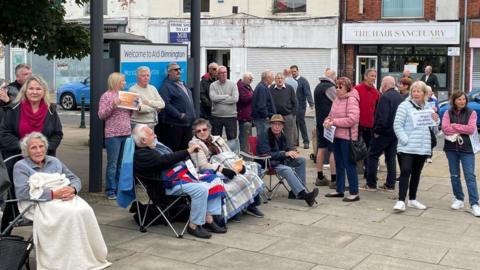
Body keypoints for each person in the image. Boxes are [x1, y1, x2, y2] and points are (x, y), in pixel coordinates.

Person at [13, 132, 111, 270]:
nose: (38, 150)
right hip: (38, 202)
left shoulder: (54, 161)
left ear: (46, 148)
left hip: (64, 196)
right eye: (33, 148)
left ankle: (83, 254)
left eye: (41, 146)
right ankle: (65, 258)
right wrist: (53, 194)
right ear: (26, 151)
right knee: (70, 214)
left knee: (85, 210)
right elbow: (22, 193)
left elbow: (75, 179)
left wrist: (73, 190)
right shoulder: (21, 166)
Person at [133, 124, 226, 239]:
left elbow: (169, 158)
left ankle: (209, 218)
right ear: (143, 140)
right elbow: (166, 160)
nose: (155, 135)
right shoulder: (142, 154)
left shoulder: (151, 148)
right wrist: (188, 151)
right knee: (201, 189)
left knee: (214, 179)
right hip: (165, 185)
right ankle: (194, 225)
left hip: (174, 179)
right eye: (152, 134)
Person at [189, 119, 265, 221]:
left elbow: (230, 154)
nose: (202, 132)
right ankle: (236, 210)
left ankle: (250, 205)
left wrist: (239, 165)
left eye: (204, 129)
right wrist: (222, 169)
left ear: (209, 129)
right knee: (236, 182)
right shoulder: (194, 144)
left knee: (250, 174)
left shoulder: (218, 139)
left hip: (229, 163)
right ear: (195, 133)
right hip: (213, 169)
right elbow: (203, 165)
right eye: (199, 131)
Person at [393, 81, 439, 212]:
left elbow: (434, 124)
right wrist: (405, 140)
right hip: (407, 147)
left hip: (422, 147)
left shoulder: (427, 107)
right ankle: (401, 200)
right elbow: (397, 125)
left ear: (424, 93)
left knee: (417, 173)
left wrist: (436, 119)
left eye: (419, 91)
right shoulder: (404, 106)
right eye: (414, 91)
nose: (416, 93)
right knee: (405, 171)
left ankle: (412, 199)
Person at [256, 114, 319, 207]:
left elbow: (287, 148)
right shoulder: (264, 136)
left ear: (282, 126)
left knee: (301, 160)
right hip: (269, 163)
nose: (277, 127)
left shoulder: (282, 135)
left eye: (279, 124)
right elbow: (265, 153)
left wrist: (293, 152)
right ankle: (303, 195)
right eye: (275, 124)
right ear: (271, 125)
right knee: (287, 170)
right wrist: (284, 154)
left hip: (281, 161)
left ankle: (295, 192)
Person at [0, 74, 63, 160]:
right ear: (25, 91)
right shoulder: (13, 109)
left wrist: (42, 149)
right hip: (17, 159)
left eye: (38, 89)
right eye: (31, 88)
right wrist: (25, 147)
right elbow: (4, 134)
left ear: (44, 91)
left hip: (44, 160)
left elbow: (57, 134)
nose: (34, 92)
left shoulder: (51, 110)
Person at [441, 91, 480, 217]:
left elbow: (471, 129)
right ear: (454, 101)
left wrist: (455, 125)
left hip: (467, 149)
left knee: (470, 176)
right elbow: (445, 128)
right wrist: (460, 127)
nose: (462, 101)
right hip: (451, 148)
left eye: (464, 99)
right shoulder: (448, 112)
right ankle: (458, 199)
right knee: (454, 175)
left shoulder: (471, 113)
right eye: (459, 99)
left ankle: (474, 203)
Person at [324, 77, 361, 202]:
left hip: (347, 137)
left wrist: (333, 122)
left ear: (347, 88)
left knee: (349, 165)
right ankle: (339, 190)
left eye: (341, 87)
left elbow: (352, 119)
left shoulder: (352, 99)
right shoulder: (336, 99)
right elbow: (330, 115)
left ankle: (354, 192)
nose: (338, 89)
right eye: (337, 87)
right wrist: (326, 121)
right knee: (338, 164)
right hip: (335, 136)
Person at [364, 76, 403, 192]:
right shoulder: (399, 97)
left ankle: (371, 184)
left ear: (385, 85)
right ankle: (390, 184)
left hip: (383, 133)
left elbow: (382, 116)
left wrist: (377, 131)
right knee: (390, 158)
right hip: (394, 132)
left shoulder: (385, 97)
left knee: (372, 156)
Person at [98, 72, 131, 200]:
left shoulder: (126, 95)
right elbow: (101, 115)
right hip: (113, 134)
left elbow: (127, 115)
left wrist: (134, 107)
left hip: (126, 132)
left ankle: (118, 189)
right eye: (123, 81)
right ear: (116, 82)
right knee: (112, 164)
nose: (125, 83)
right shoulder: (106, 96)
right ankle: (110, 190)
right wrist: (114, 104)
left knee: (121, 164)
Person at [157, 62, 196, 151]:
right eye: (175, 70)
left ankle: (184, 165)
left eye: (179, 69)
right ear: (169, 72)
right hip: (175, 125)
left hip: (187, 124)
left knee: (186, 150)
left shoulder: (182, 84)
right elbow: (165, 104)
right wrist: (179, 115)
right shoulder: (166, 86)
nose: (178, 71)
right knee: (175, 150)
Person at [354, 69, 380, 179]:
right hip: (358, 125)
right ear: (365, 77)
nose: (373, 78)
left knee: (370, 150)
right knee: (356, 149)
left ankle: (368, 172)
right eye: (371, 76)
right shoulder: (357, 89)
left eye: (375, 76)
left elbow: (377, 110)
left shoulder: (376, 92)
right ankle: (353, 170)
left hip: (370, 126)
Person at [313, 69, 337, 188]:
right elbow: (337, 101)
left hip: (319, 122)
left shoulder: (317, 87)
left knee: (321, 148)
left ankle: (320, 176)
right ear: (333, 77)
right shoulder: (330, 87)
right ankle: (334, 179)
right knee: (333, 150)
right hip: (330, 123)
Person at [209, 66, 239, 151]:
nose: (223, 74)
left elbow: (235, 99)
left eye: (225, 72)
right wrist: (226, 96)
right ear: (217, 74)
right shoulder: (213, 85)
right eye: (221, 73)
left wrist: (219, 100)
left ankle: (232, 156)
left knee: (232, 139)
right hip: (216, 116)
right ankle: (216, 155)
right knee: (215, 140)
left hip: (231, 116)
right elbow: (213, 98)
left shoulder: (233, 85)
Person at [269, 72, 298, 148]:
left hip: (287, 115)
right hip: (275, 116)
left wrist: (292, 114)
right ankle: (277, 149)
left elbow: (295, 102)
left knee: (289, 134)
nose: (280, 80)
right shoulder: (271, 88)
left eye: (281, 78)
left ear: (284, 79)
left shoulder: (289, 88)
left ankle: (290, 149)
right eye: (278, 78)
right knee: (274, 133)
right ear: (275, 80)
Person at [291, 65, 314, 149]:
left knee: (301, 123)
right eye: (292, 72)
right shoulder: (290, 81)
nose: (293, 73)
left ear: (298, 71)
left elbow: (307, 92)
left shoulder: (303, 81)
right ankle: (296, 141)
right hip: (292, 106)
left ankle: (306, 142)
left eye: (294, 71)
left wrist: (311, 103)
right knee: (294, 124)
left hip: (301, 105)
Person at [251, 70, 276, 137]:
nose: (273, 79)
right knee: (263, 138)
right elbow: (261, 105)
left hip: (262, 119)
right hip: (262, 119)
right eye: (272, 77)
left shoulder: (262, 86)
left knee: (263, 137)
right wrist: (266, 116)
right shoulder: (262, 88)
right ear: (267, 78)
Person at [237, 72, 254, 153]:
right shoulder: (240, 86)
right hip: (243, 116)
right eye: (250, 79)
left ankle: (246, 152)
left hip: (248, 115)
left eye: (252, 80)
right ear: (245, 78)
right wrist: (253, 95)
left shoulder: (247, 86)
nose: (251, 81)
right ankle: (243, 153)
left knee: (247, 136)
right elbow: (244, 99)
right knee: (244, 136)